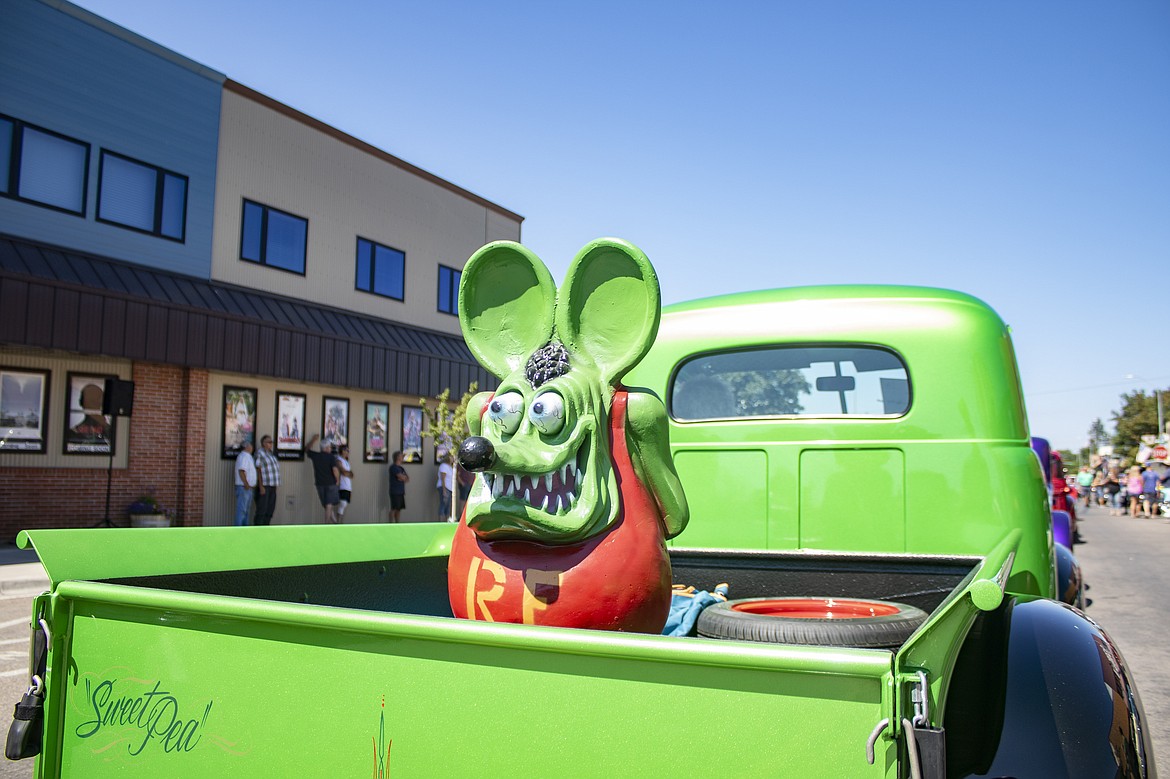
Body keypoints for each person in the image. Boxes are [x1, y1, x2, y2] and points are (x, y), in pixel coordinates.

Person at [306, 433, 341, 523]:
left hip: (319, 483)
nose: (330, 448)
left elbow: (307, 449)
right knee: (329, 504)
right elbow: (335, 470)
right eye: (329, 447)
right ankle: (326, 524)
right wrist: (337, 480)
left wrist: (313, 440)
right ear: (325, 448)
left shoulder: (315, 456)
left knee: (326, 505)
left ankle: (334, 522)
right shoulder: (330, 457)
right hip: (330, 483)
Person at [254, 434, 281, 526]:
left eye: (271, 442)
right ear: (263, 443)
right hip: (265, 486)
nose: (271, 444)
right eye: (269, 442)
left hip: (273, 485)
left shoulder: (271, 454)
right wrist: (261, 486)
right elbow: (258, 469)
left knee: (270, 509)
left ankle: (266, 528)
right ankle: (258, 530)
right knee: (262, 509)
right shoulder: (260, 454)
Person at [234, 441, 256, 526]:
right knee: (242, 510)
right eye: (251, 445)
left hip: (247, 487)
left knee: (246, 511)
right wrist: (246, 483)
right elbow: (242, 470)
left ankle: (244, 530)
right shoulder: (244, 456)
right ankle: (239, 531)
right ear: (246, 447)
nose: (252, 447)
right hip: (244, 487)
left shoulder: (248, 457)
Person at [388, 450, 409, 523]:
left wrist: (402, 478)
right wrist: (402, 477)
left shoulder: (401, 468)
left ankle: (397, 524)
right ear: (397, 457)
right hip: (395, 491)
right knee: (394, 508)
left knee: (399, 509)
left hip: (401, 491)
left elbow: (407, 479)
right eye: (401, 456)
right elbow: (401, 477)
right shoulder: (393, 467)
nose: (402, 457)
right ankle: (390, 524)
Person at [336, 444, 354, 521]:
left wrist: (349, 473)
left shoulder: (346, 461)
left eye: (348, 451)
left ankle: (340, 522)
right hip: (342, 486)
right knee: (342, 504)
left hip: (348, 486)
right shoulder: (339, 460)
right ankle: (337, 523)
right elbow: (344, 472)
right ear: (341, 451)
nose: (347, 452)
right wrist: (348, 473)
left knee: (344, 505)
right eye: (345, 450)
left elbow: (352, 474)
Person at [437, 454, 454, 522]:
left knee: (447, 506)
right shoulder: (443, 466)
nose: (453, 459)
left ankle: (446, 521)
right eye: (451, 457)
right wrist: (444, 490)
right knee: (443, 505)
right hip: (444, 487)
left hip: (449, 488)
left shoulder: (450, 467)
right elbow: (443, 478)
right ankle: (441, 522)